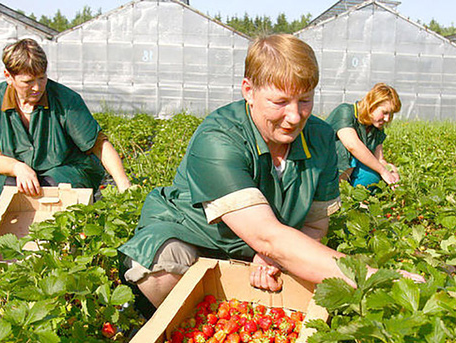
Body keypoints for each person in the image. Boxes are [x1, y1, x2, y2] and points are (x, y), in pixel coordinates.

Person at [119, 34, 358, 311]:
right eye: (280, 102)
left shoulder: (320, 138)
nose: (295, 116)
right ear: (248, 91)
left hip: (266, 243)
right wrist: (367, 278)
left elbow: (315, 226)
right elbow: (267, 237)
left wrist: (273, 257)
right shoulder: (218, 138)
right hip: (196, 238)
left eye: (305, 100)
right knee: (164, 264)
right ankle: (167, 324)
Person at [0, 38, 131, 196]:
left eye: (41, 78)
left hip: (68, 170)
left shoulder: (65, 99)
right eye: (28, 82)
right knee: (10, 187)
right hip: (26, 171)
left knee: (52, 188)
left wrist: (124, 184)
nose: (37, 87)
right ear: (8, 76)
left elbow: (99, 146)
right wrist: (18, 168)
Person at [326, 83, 401, 188]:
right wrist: (383, 171)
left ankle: (355, 194)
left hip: (352, 169)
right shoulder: (346, 111)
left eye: (391, 114)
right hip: (325, 165)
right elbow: (352, 146)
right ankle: (336, 191)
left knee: (372, 177)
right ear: (372, 105)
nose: (387, 118)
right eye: (384, 112)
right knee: (346, 151)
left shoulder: (376, 128)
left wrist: (391, 171)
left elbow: (379, 159)